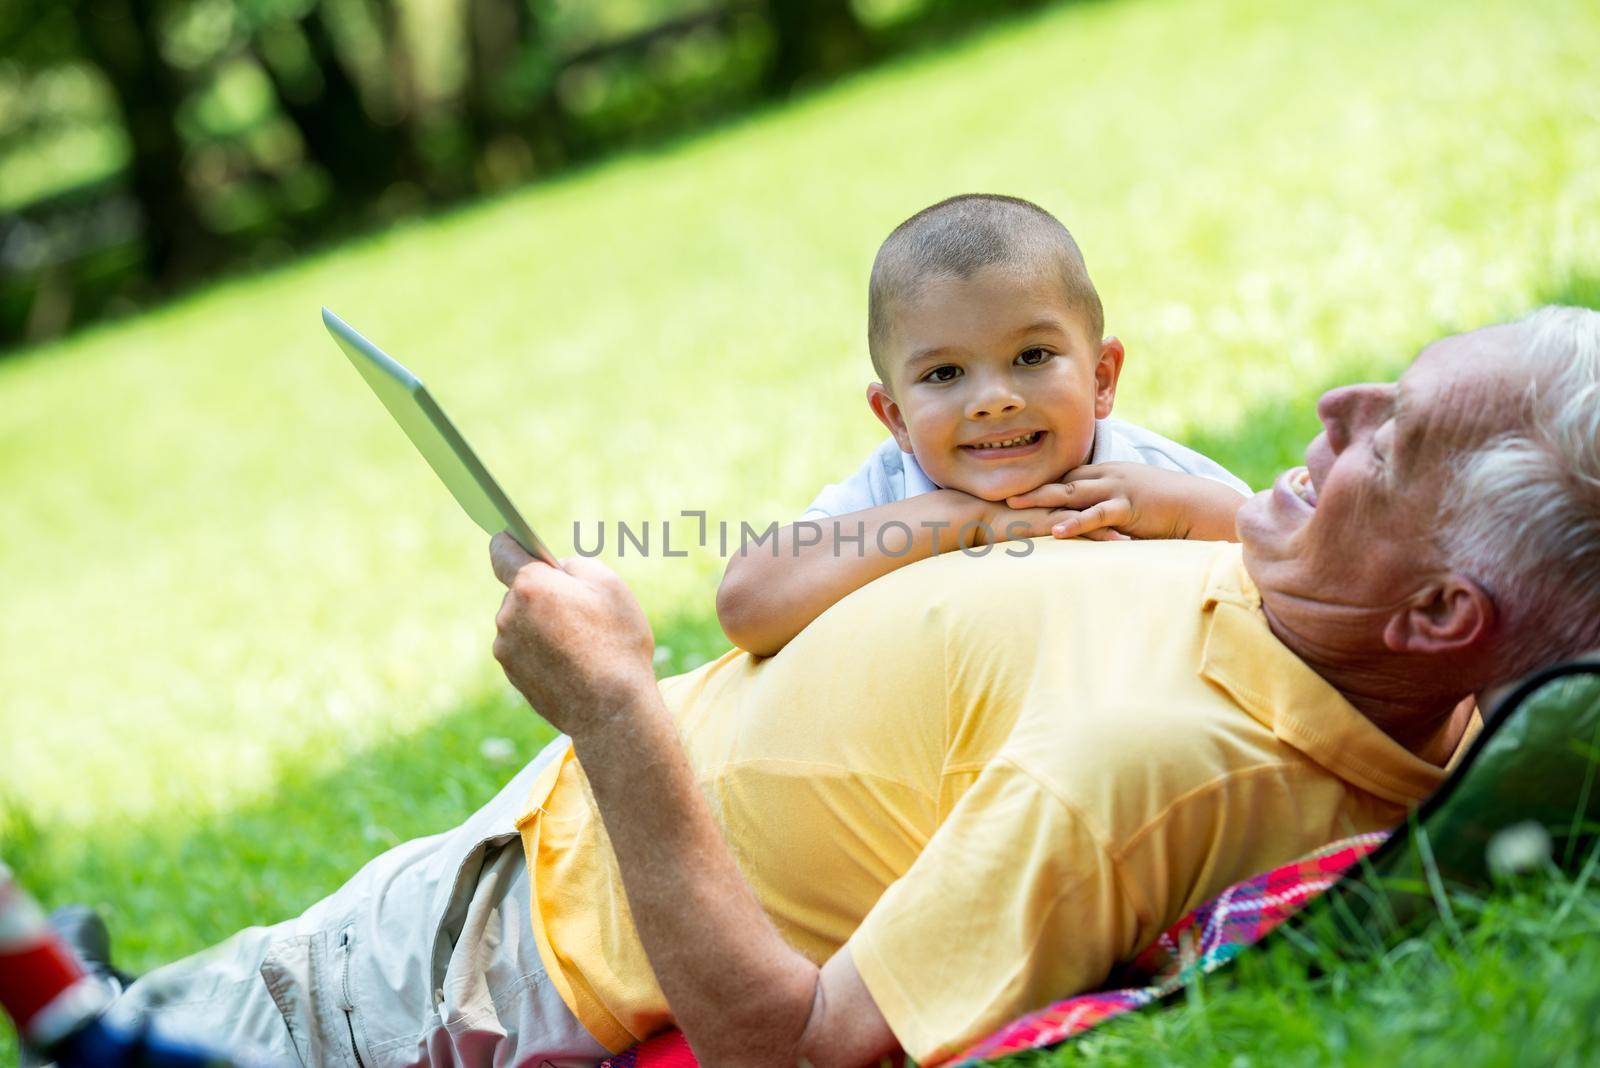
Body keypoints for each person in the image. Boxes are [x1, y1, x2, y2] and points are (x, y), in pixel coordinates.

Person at [76, 308, 1600, 1068]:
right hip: (540, 849)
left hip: (518, 961)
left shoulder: (1155, 771)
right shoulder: (1305, 600)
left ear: (1441, 609)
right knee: (162, 1007)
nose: (1338, 407)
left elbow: (798, 1046)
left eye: (1387, 444)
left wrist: (609, 710)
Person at [718, 194, 1252, 656]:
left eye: (1032, 356)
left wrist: (1180, 511)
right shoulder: (888, 492)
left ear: (1101, 379)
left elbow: (1287, 555)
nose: (993, 402)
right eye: (944, 373)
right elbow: (747, 605)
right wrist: (960, 519)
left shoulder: (1147, 479)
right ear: (897, 419)